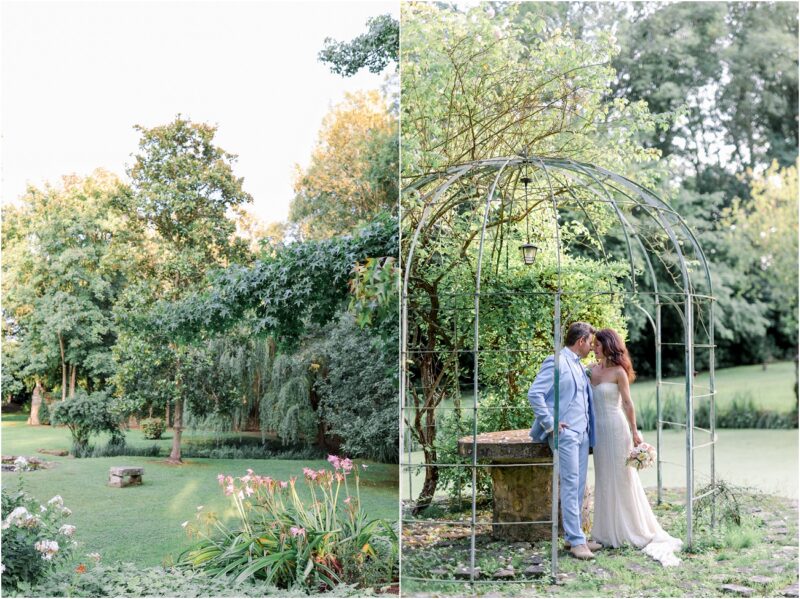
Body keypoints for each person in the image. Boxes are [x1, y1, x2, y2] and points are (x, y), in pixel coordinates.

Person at [588, 328, 682, 567]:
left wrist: (635, 431)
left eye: (598, 344)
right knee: (604, 477)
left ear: (608, 346)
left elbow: (628, 403)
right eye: (593, 344)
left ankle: (631, 529)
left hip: (617, 428)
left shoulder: (619, 371)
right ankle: (606, 531)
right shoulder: (590, 370)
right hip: (598, 430)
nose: (594, 348)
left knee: (622, 477)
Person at [527, 322, 600, 560]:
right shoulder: (556, 361)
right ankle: (577, 542)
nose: (591, 347)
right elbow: (535, 394)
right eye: (590, 342)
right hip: (564, 434)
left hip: (582, 434)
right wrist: (550, 423)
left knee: (578, 486)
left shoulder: (579, 365)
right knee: (569, 484)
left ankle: (573, 537)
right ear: (581, 342)